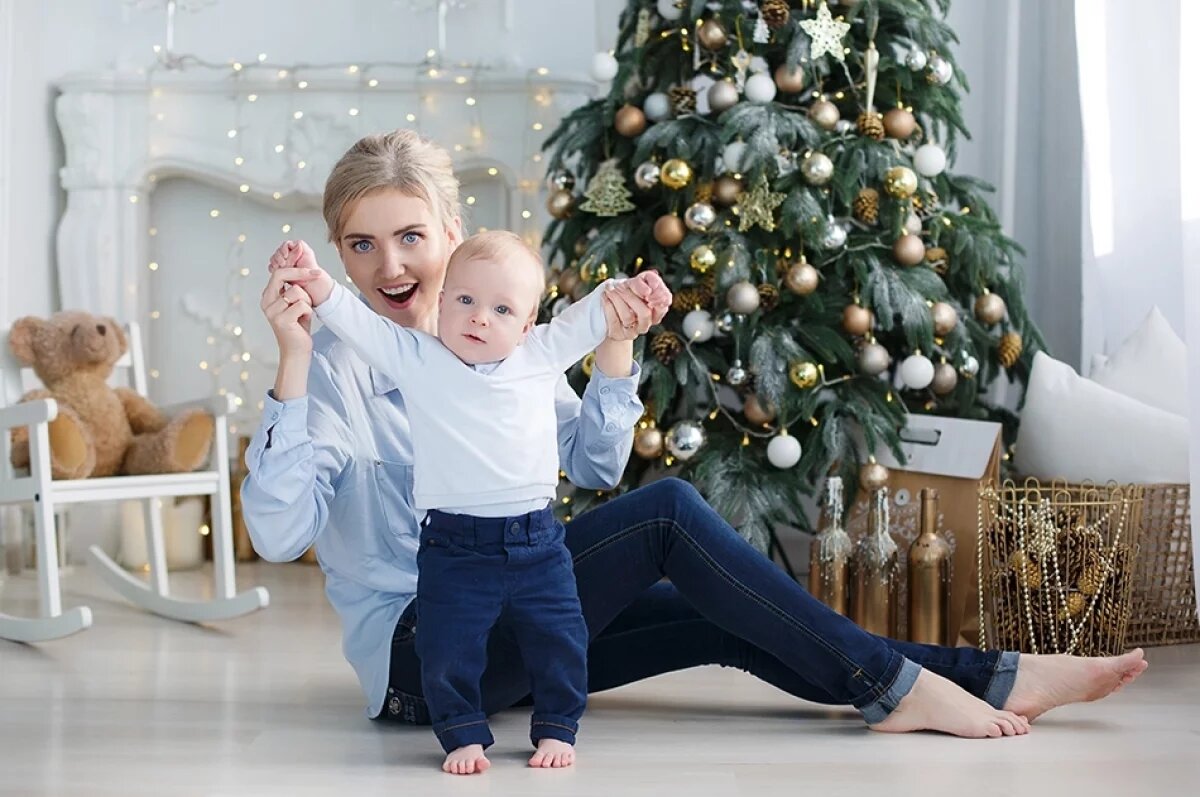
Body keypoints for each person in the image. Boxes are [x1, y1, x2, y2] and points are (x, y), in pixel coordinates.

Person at [242, 129, 1148, 776]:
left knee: (722, 610)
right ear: (337, 260)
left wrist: (614, 349)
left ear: (453, 235)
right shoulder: (330, 369)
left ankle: (989, 677)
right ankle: (915, 685)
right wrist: (291, 363)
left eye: (410, 236)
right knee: (669, 512)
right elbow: (280, 537)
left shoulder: (506, 351)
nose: (390, 264)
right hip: (424, 662)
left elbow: (594, 466)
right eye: (362, 245)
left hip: (523, 610)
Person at [270, 229, 670, 773]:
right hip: (453, 546)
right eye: (465, 301)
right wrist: (316, 284)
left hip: (536, 539)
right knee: (447, 645)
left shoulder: (538, 354)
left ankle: (556, 728)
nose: (480, 318)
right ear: (443, 303)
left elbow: (592, 315)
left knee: (560, 635)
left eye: (502, 309)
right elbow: (359, 325)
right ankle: (461, 734)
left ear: (527, 325)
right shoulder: (418, 358)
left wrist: (634, 290)